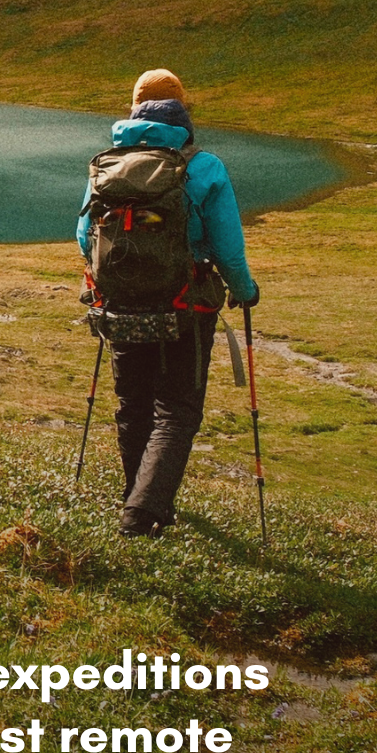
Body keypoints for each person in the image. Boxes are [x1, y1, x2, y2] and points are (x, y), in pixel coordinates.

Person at [77, 69, 258, 538]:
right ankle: (143, 512)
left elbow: (84, 236)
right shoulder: (203, 166)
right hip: (186, 307)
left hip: (120, 305)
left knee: (132, 403)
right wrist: (244, 290)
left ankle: (137, 497)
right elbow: (227, 247)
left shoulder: (108, 164)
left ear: (133, 109)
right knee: (176, 408)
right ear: (183, 110)